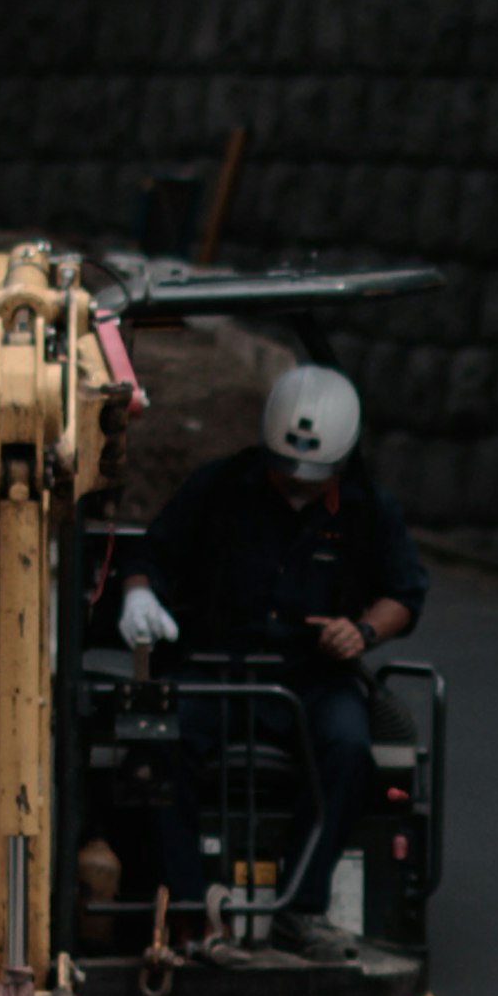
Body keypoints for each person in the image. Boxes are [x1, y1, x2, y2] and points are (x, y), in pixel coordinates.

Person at [118, 364, 426, 951]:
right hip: (213, 672)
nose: (295, 487)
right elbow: (151, 556)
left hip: (311, 678)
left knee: (349, 750)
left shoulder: (367, 509)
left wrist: (360, 631)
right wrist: (137, 596)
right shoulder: (218, 488)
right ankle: (188, 908)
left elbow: (405, 595)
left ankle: (301, 906)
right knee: (152, 746)